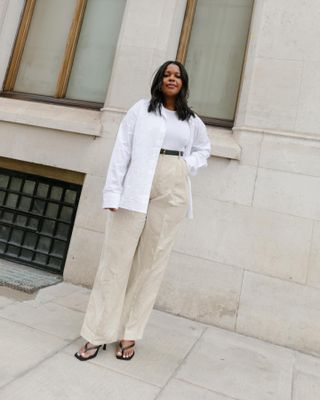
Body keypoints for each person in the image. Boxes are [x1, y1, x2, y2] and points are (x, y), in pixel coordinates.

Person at [75, 60, 211, 361]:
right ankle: (96, 333)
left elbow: (204, 149)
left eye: (177, 76)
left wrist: (186, 165)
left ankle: (128, 333)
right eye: (167, 74)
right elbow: (122, 148)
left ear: (183, 83)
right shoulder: (141, 110)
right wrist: (113, 190)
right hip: (136, 188)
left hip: (172, 188)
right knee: (116, 261)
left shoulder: (191, 120)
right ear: (159, 80)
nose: (171, 79)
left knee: (150, 266)